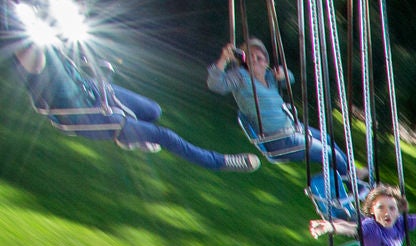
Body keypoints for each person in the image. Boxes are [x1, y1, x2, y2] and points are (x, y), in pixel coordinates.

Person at [10, 35, 257, 172]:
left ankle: (130, 137)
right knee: (165, 136)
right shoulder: (31, 58)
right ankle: (221, 162)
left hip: (91, 89)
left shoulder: (40, 36)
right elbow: (33, 46)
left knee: (152, 110)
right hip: (84, 115)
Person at [205, 38, 348, 177]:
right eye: (250, 56)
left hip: (293, 129)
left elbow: (289, 80)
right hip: (278, 139)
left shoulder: (269, 77)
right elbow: (215, 84)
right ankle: (354, 184)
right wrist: (224, 59)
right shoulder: (240, 77)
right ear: (243, 60)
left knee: (328, 139)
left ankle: (352, 173)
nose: (254, 59)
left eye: (259, 58)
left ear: (266, 62)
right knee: (330, 154)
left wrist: (284, 74)